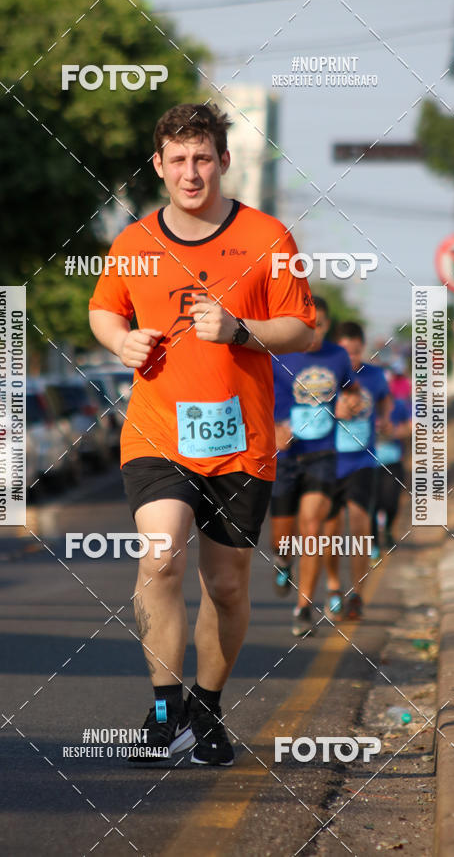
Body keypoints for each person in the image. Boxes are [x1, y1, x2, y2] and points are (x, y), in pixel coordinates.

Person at [88, 103, 315, 766]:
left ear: (222, 160)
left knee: (228, 586)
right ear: (159, 165)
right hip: (157, 432)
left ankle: (207, 709)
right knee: (159, 557)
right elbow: (104, 308)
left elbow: (302, 328)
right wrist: (121, 339)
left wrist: (241, 330)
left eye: (203, 158)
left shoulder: (269, 237)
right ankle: (163, 711)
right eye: (178, 160)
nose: (191, 172)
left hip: (241, 442)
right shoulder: (134, 241)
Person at [270, 296, 358, 637]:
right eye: (307, 324)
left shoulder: (337, 357)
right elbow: (253, 395)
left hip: (323, 453)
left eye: (319, 324)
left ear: (327, 326)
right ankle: (282, 560)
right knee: (282, 539)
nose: (313, 331)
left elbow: (351, 391)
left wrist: (350, 403)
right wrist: (274, 428)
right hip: (285, 457)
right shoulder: (275, 352)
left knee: (312, 528)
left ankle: (303, 607)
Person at [324, 321, 391, 620]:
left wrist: (386, 419)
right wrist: (331, 410)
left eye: (355, 351)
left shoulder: (375, 376)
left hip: (363, 461)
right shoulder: (325, 377)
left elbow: (386, 399)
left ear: (362, 349)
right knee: (331, 529)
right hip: (329, 460)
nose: (351, 358)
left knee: (361, 524)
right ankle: (334, 587)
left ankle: (358, 594)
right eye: (344, 352)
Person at [372, 397, 412, 551]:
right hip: (369, 462)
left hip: (393, 460)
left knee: (391, 501)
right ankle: (373, 542)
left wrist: (394, 431)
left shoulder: (399, 405)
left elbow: (410, 427)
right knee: (373, 504)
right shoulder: (365, 405)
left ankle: (388, 529)